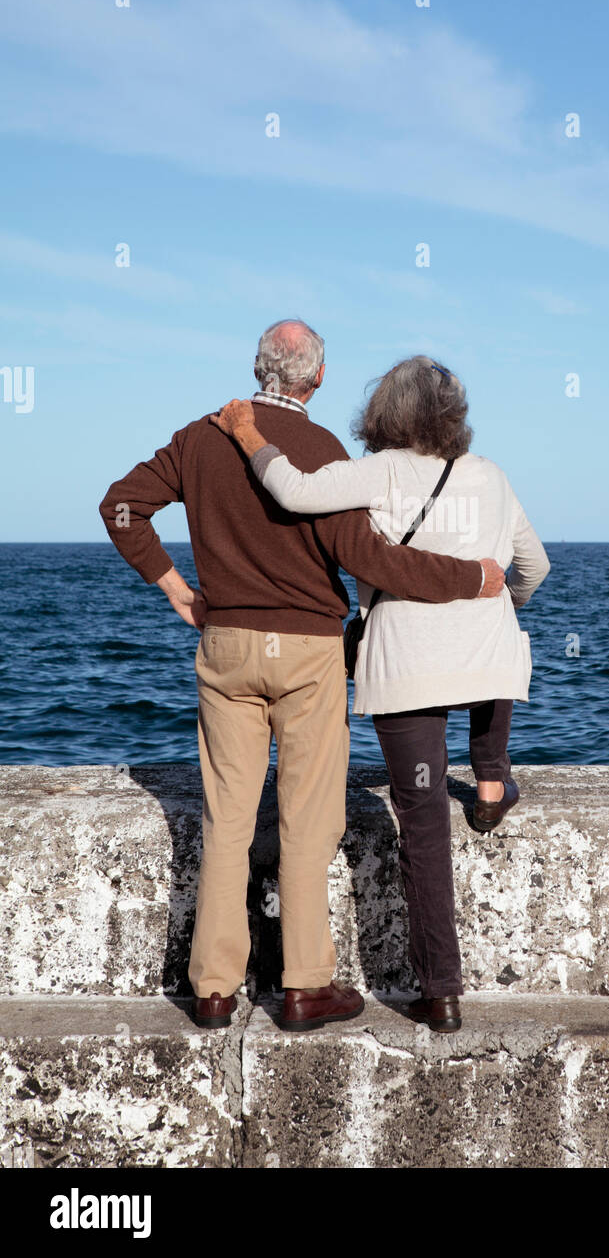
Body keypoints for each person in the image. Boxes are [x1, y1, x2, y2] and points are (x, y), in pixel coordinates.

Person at [99, 322, 505, 1033]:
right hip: (309, 650)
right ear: (316, 379)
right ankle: (303, 986)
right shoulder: (322, 451)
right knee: (308, 820)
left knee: (227, 819)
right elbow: (371, 561)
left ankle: (215, 990)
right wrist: (470, 578)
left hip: (225, 644)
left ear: (258, 369)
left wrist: (175, 588)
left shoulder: (201, 437)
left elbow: (122, 507)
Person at [212, 354, 550, 1033]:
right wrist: (500, 605)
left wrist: (248, 434)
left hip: (406, 664)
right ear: (453, 414)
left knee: (421, 822)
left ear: (383, 414)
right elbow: (533, 566)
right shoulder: (490, 476)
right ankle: (490, 782)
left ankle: (441, 992)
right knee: (493, 663)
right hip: (485, 656)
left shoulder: (381, 470)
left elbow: (292, 490)